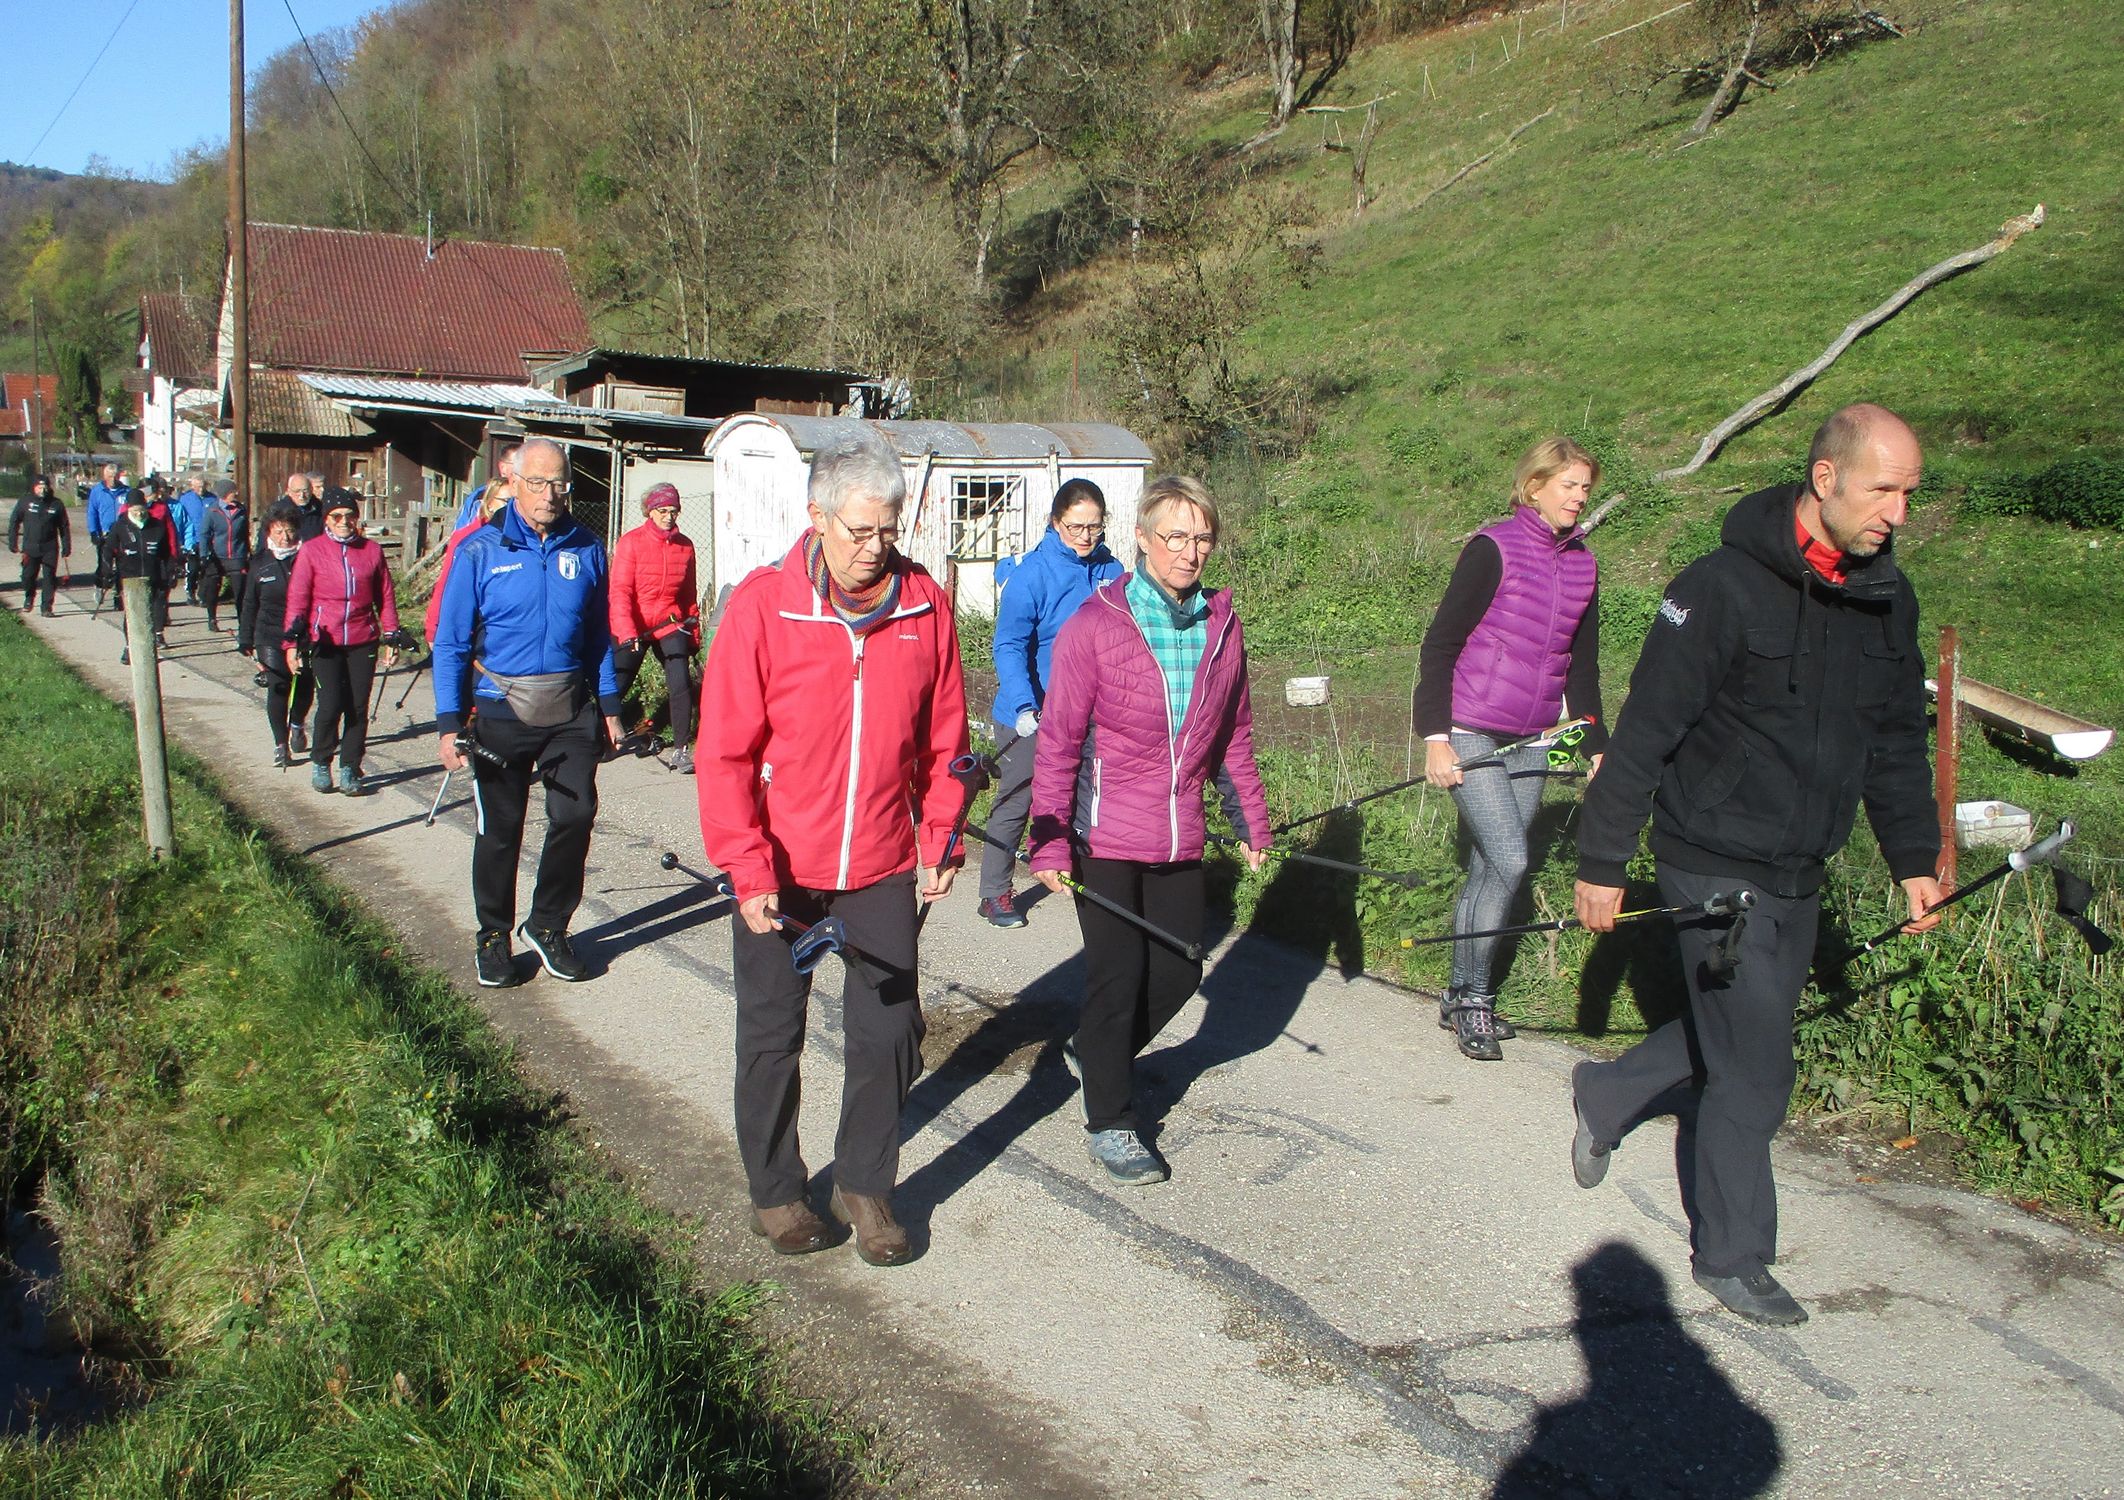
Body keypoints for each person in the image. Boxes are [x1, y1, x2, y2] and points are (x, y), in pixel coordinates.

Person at [1569, 403, 1943, 1328]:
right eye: (1883, 490)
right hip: (1710, 857)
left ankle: (1609, 1092)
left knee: (1743, 1029)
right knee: (1758, 1066)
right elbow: (1647, 731)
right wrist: (1604, 859)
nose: (1897, 513)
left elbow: (1898, 740)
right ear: (1826, 478)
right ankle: (1733, 1256)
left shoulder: (1887, 599)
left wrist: (1913, 855)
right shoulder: (1720, 588)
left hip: (1800, 863)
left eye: (1908, 493)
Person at [698, 427, 969, 1267]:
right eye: (860, 530)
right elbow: (724, 752)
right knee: (771, 1033)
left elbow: (947, 741)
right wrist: (747, 866)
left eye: (889, 529)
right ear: (816, 518)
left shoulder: (924, 605)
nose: (876, 547)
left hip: (879, 863)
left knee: (889, 1033)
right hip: (780, 868)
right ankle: (777, 1191)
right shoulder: (764, 606)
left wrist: (941, 835)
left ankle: (866, 1183)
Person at [1027, 476, 1271, 1188]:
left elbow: (1234, 736)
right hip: (1102, 833)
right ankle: (1112, 1120)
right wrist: (1048, 838)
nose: (1189, 552)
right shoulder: (1095, 624)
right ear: (1141, 538)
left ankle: (1095, 1053)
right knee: (1118, 975)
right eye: (1175, 537)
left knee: (1180, 969)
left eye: (1202, 539)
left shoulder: (1222, 627)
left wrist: (1250, 820)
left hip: (1178, 832)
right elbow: (1059, 742)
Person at [1416, 437, 1609, 1060]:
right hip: (1471, 728)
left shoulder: (1584, 566)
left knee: (1492, 867)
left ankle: (1458, 994)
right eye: (1568, 485)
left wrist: (1595, 743)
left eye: (1585, 487)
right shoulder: (1492, 548)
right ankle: (1475, 999)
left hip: (1535, 738)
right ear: (1534, 487)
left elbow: (1583, 665)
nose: (1579, 497)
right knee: (1511, 857)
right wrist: (1436, 738)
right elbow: (1440, 644)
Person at [432, 437, 625, 989]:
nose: (550, 494)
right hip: (500, 709)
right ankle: (493, 934)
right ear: (513, 482)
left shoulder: (586, 548)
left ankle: (547, 925)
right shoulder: (479, 550)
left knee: (575, 815)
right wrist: (449, 724)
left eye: (559, 483)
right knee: (501, 829)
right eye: (538, 483)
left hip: (569, 708)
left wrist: (610, 708)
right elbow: (450, 643)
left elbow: (598, 637)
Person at [980, 478, 1123, 927]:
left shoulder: (1113, 571)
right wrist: (1025, 704)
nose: (1085, 536)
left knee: (1088, 796)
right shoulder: (1032, 575)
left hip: (1089, 711)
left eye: (1094, 527)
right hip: (1031, 713)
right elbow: (1008, 645)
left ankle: (1081, 874)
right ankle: (994, 892)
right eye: (1075, 526)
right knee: (1018, 799)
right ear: (1055, 522)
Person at [284, 491, 399, 795]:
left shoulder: (371, 551)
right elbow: (297, 599)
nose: (344, 522)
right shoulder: (312, 551)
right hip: (326, 639)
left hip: (363, 638)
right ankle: (321, 760)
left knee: (357, 707)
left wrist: (391, 633)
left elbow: (385, 596)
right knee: (331, 704)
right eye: (337, 516)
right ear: (327, 520)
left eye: (350, 516)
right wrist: (291, 643)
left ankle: (350, 766)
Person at [609, 481, 702, 773]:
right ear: (650, 511)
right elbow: (620, 591)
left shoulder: (685, 546)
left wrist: (693, 634)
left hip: (667, 620)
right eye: (662, 510)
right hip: (634, 622)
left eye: (674, 511)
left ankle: (681, 750)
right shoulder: (631, 542)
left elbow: (688, 595)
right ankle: (599, 733)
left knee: (680, 682)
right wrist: (626, 631)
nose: (668, 516)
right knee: (618, 682)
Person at [239, 506, 314, 767]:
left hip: (303, 634)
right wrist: (245, 637)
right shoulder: (260, 562)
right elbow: (250, 602)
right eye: (279, 531)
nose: (285, 537)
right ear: (269, 532)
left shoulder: (307, 558)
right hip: (269, 633)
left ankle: (297, 723)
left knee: (304, 685)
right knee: (278, 686)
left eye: (290, 531)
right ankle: (280, 745)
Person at [423, 475, 513, 644]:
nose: (511, 507)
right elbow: (446, 583)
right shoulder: (466, 538)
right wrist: (433, 628)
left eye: (516, 502)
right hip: (470, 626)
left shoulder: (519, 539)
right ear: (489, 502)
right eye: (506, 501)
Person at [103, 488, 175, 664]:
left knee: (152, 614)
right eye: (135, 510)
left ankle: (150, 648)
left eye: (141, 509)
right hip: (129, 578)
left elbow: (166, 552)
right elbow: (108, 550)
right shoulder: (120, 526)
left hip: (153, 576)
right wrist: (106, 571)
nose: (139, 513)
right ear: (128, 509)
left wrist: (170, 572)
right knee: (132, 614)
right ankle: (130, 647)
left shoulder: (157, 526)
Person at [9, 475, 71, 616]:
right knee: (28, 576)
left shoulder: (56, 504)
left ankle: (46, 607)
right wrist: (13, 542)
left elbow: (64, 527)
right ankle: (29, 597)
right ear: (34, 487)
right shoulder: (25, 501)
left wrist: (66, 546)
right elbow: (14, 521)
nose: (42, 490)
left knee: (49, 577)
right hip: (30, 547)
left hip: (49, 547)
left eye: (45, 487)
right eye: (39, 487)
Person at [199, 480, 250, 633]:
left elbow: (245, 533)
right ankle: (212, 618)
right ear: (225, 494)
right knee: (212, 588)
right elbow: (204, 534)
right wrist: (204, 554)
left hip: (237, 554)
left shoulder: (241, 510)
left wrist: (247, 552)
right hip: (217, 555)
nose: (236, 493)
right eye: (233, 491)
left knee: (240, 591)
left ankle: (243, 622)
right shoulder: (213, 511)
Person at [84, 463, 128, 603]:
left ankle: (119, 594)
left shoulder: (126, 491)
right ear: (104, 476)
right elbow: (92, 513)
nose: (112, 479)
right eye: (109, 476)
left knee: (122, 566)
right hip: (105, 534)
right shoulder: (97, 491)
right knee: (104, 565)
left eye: (115, 476)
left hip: (122, 534)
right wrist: (93, 532)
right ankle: (99, 586)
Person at [454, 443, 521, 529]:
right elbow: (462, 533)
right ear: (502, 468)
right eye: (518, 465)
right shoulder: (479, 497)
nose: (524, 470)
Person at [172, 474, 210, 606]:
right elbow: (181, 521)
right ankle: (190, 591)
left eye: (203, 486)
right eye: (198, 487)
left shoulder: (212, 499)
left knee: (206, 568)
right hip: (193, 539)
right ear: (192, 486)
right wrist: (182, 541)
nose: (201, 489)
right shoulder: (185, 500)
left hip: (208, 540)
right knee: (193, 569)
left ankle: (204, 594)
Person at [276, 472, 325, 543]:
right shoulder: (278, 510)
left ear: (311, 489)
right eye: (297, 491)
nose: (302, 496)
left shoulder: (319, 508)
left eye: (305, 491)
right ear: (289, 491)